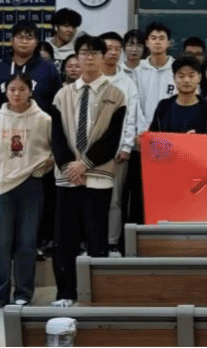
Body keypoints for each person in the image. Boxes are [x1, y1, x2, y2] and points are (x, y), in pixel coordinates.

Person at [49, 35, 127, 308]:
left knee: (96, 238)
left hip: (98, 176)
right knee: (65, 239)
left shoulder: (116, 94)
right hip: (67, 177)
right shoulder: (62, 95)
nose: (89, 57)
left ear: (104, 57)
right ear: (77, 57)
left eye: (95, 52)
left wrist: (86, 163)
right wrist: (70, 166)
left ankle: (97, 294)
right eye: (84, 52)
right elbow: (56, 136)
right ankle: (65, 293)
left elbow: (112, 138)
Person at [0, 72, 54, 309]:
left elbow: (56, 152)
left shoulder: (44, 120)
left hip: (31, 185)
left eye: (21, 89)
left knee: (27, 242)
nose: (17, 94)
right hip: (0, 187)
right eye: (12, 90)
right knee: (0, 243)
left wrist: (44, 166)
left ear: (30, 91)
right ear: (5, 92)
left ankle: (23, 293)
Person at [121, 22, 177, 235]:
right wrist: (145, 132)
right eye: (153, 38)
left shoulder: (177, 70)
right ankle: (136, 240)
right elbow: (135, 105)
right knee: (139, 193)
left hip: (170, 143)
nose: (157, 42)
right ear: (147, 42)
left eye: (162, 38)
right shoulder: (138, 71)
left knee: (168, 193)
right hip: (142, 142)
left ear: (169, 43)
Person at [0, 21, 61, 153]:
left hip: (39, 140)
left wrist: (55, 145)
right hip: (1, 141)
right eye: (20, 37)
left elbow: (57, 107)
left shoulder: (48, 70)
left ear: (36, 42)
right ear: (11, 41)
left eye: (29, 37)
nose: (24, 41)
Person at [99, 32, 143, 256]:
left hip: (117, 152)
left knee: (115, 200)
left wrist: (126, 147)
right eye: (109, 48)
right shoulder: (91, 78)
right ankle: (91, 241)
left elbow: (132, 116)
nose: (114, 52)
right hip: (88, 153)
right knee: (90, 200)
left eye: (117, 49)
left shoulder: (127, 82)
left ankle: (112, 243)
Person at [150, 57, 207, 134]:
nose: (186, 80)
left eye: (191, 76)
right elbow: (153, 136)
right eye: (181, 76)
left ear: (199, 78)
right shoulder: (163, 107)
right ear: (174, 78)